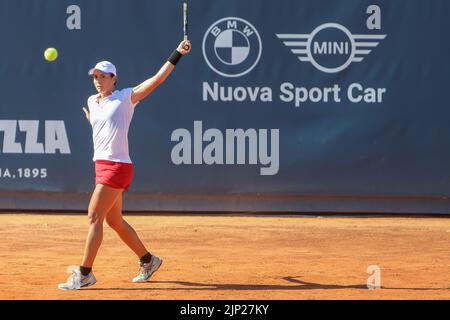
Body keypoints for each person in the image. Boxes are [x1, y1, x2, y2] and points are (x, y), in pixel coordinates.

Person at [58, 39, 192, 290]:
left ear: (114, 79)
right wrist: (91, 121)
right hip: (101, 165)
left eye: (104, 76)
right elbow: (102, 129)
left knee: (94, 217)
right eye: (95, 76)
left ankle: (85, 274)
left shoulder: (126, 97)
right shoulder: (92, 101)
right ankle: (148, 260)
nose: (98, 80)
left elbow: (157, 79)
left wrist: (177, 53)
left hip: (117, 166)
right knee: (114, 221)